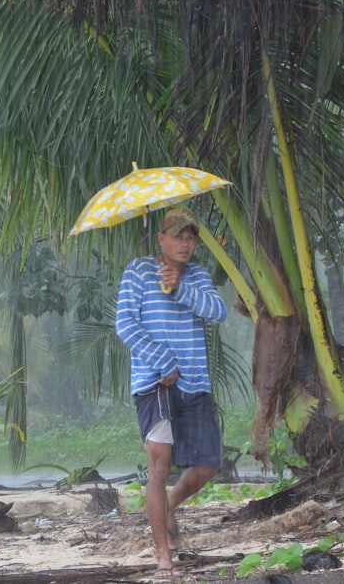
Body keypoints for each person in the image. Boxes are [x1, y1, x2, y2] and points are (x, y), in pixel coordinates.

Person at [114, 207, 228, 577]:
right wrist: (162, 360)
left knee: (209, 463)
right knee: (159, 465)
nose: (185, 242)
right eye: (177, 235)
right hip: (154, 384)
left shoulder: (197, 276)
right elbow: (125, 325)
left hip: (194, 383)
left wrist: (181, 287)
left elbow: (218, 312)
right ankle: (163, 556)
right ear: (160, 238)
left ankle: (171, 503)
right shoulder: (138, 271)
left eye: (191, 236)